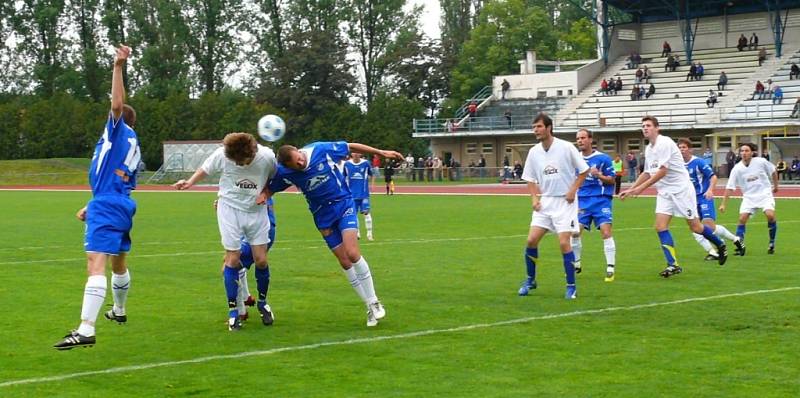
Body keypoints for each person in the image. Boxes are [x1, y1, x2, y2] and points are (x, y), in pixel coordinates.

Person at [54, 46, 141, 350]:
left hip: (107, 204)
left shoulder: (117, 131)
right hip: (119, 204)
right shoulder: (133, 143)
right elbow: (122, 183)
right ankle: (118, 310)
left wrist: (118, 67)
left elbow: (117, 105)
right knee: (118, 262)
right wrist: (92, 204)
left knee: (95, 263)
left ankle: (86, 329)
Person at [267, 142, 404, 326]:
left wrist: (381, 151)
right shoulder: (285, 172)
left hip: (344, 205)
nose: (300, 164)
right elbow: (269, 188)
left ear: (298, 151)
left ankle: (374, 301)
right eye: (295, 165)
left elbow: (350, 146)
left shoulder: (320, 150)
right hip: (323, 217)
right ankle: (369, 307)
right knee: (344, 261)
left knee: (352, 253)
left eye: (299, 159)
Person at [173, 132, 277, 331]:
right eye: (234, 161)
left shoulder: (267, 157)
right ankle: (234, 312)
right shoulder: (222, 154)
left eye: (242, 161)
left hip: (256, 211)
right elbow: (205, 168)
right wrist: (190, 182)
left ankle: (263, 303)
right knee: (232, 259)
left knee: (261, 260)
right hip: (229, 208)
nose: (238, 164)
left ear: (253, 152)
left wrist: (266, 193)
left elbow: (277, 179)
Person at [619, 116, 728, 278]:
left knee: (696, 227)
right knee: (660, 226)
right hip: (665, 192)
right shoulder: (649, 149)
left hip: (681, 190)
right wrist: (631, 188)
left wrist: (640, 189)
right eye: (643, 126)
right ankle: (673, 265)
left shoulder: (665, 143)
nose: (645, 128)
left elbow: (662, 171)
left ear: (657, 128)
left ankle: (720, 244)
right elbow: (648, 172)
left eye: (648, 125)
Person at [517, 113, 589, 299]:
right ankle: (530, 280)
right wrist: (534, 198)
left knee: (564, 243)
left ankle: (571, 286)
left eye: (539, 127)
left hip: (565, 202)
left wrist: (573, 190)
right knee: (531, 240)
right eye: (534, 127)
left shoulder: (565, 147)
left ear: (549, 128)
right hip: (546, 201)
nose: (536, 130)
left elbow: (584, 171)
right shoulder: (534, 152)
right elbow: (529, 178)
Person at [678, 139, 745, 261]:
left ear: (690, 149)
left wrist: (710, 190)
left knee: (709, 225)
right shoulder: (678, 165)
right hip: (689, 200)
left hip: (704, 197)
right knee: (695, 227)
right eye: (680, 148)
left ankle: (735, 240)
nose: (681, 150)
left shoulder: (698, 162)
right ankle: (712, 251)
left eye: (684, 147)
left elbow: (713, 177)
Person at [571, 129, 618, 282]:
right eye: (578, 138)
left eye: (583, 138)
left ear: (590, 140)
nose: (580, 141)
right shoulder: (574, 159)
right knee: (575, 232)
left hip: (601, 200)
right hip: (582, 200)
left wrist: (599, 175)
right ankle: (576, 264)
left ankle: (610, 268)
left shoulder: (603, 158)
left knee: (605, 232)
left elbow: (612, 180)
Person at [720, 143, 779, 254]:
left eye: (747, 151)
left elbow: (773, 171)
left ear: (752, 152)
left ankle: (771, 243)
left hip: (764, 194)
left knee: (770, 215)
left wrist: (776, 186)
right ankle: (739, 245)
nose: (744, 153)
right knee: (742, 219)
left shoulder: (761, 162)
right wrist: (723, 203)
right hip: (749, 197)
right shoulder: (737, 168)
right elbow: (729, 187)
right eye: (742, 151)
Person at [344, 153, 376, 240]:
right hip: (352, 195)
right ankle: (357, 233)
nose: (356, 154)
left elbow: (372, 174)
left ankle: (369, 234)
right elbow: (343, 177)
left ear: (360, 154)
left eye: (358, 153)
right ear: (352, 154)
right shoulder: (347, 164)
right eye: (354, 153)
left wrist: (372, 185)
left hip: (364, 194)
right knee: (354, 214)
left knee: (366, 213)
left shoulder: (366, 163)